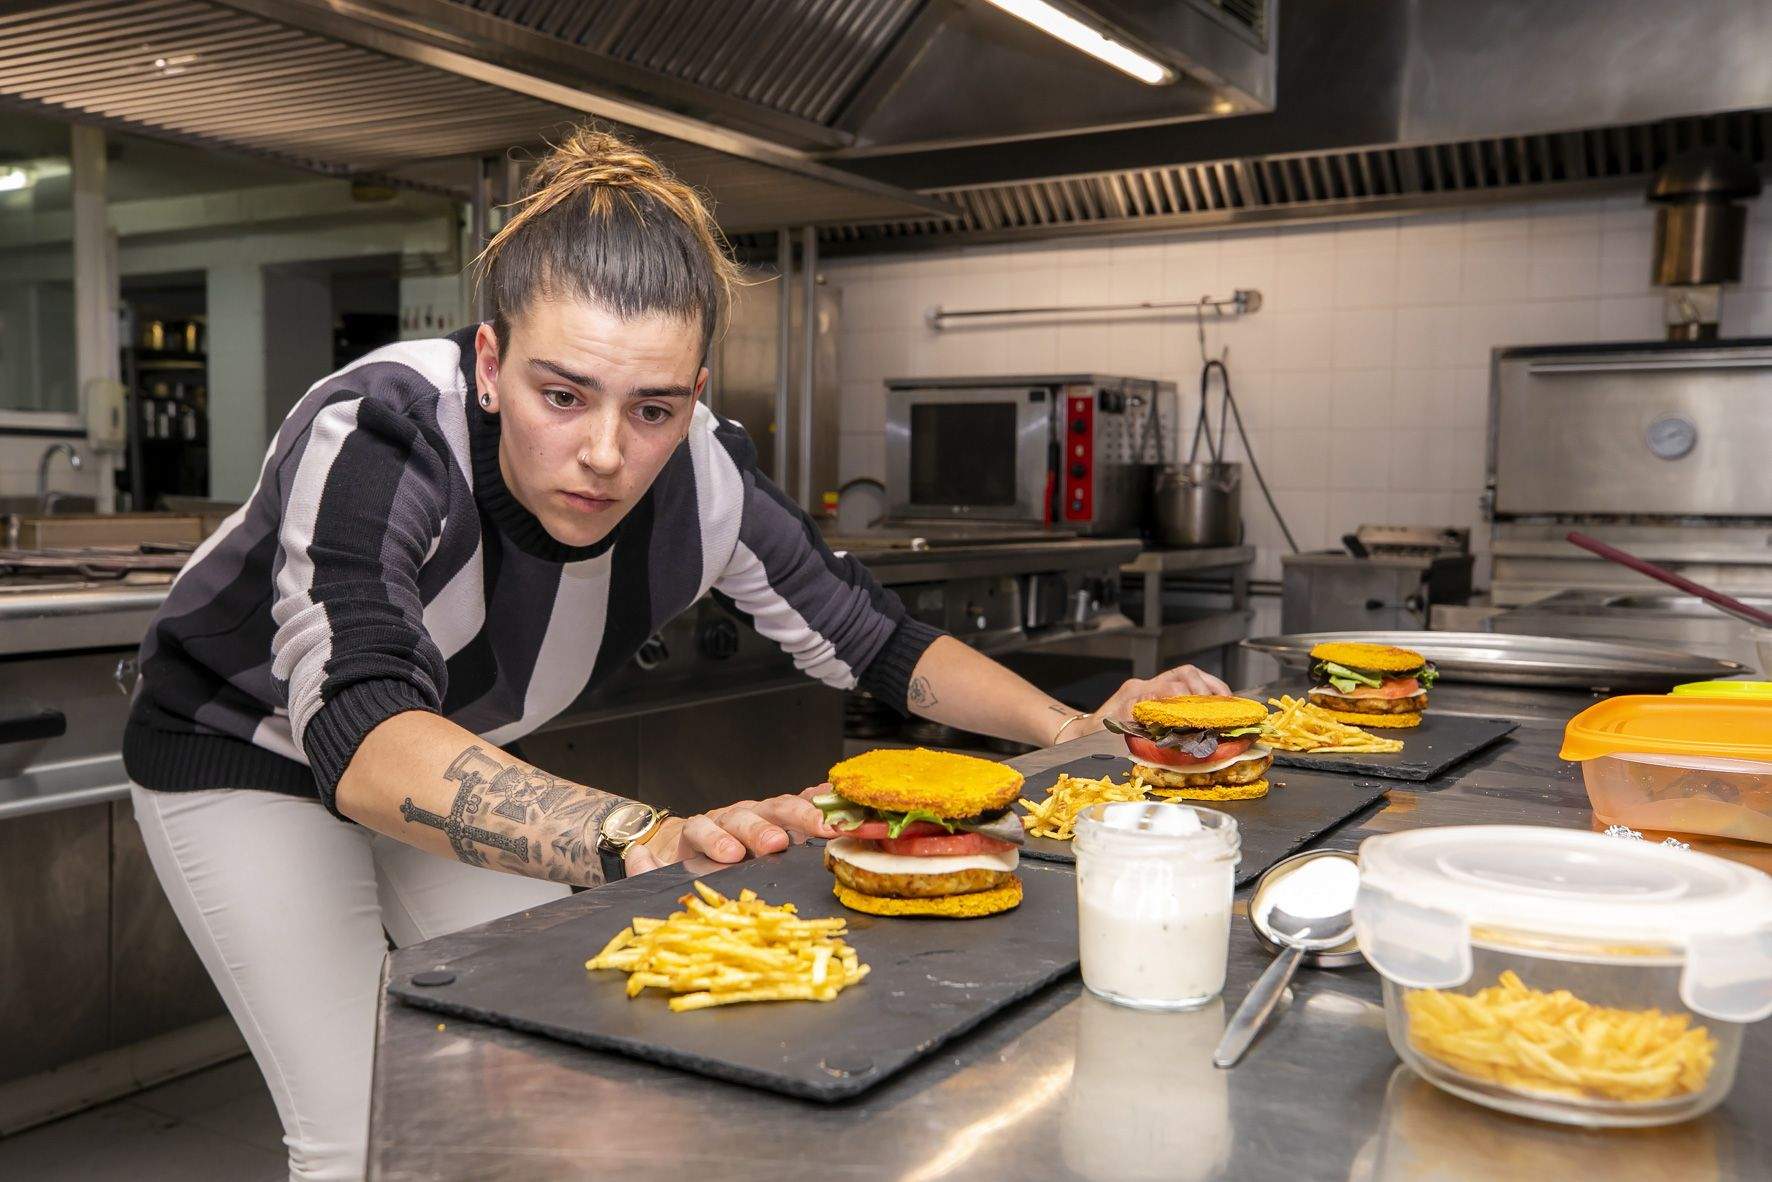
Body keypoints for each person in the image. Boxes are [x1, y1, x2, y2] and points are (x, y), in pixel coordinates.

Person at [122, 125, 1228, 1180]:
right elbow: (361, 732)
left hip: (451, 749)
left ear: (695, 395)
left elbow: (874, 639)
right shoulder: (384, 428)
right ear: (491, 361)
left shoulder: (707, 476)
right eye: (563, 395)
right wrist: (640, 837)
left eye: (651, 409)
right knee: (359, 1130)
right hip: (242, 752)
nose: (603, 454)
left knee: (546, 1058)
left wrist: (1073, 732)